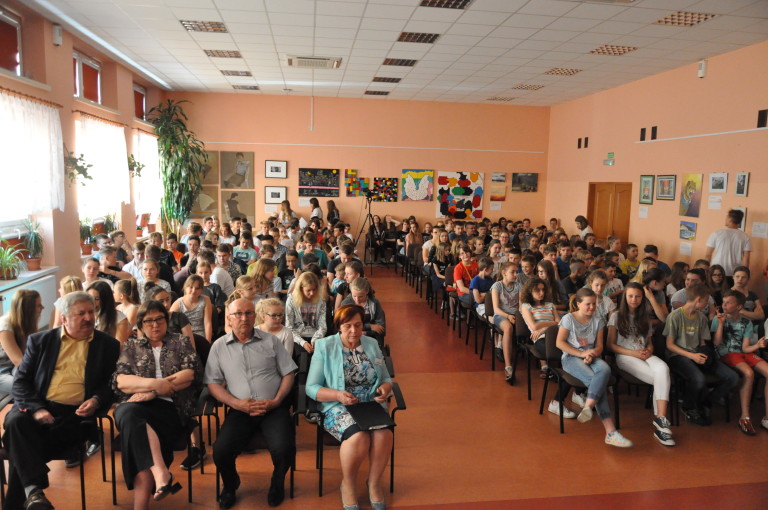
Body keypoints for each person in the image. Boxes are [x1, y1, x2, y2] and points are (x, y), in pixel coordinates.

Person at [2, 291, 120, 510]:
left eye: (91, 312)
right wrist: (37, 409)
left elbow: (111, 384)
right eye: (80, 313)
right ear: (64, 318)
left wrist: (96, 400)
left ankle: (32, 494)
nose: (88, 318)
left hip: (73, 416)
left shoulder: (108, 345)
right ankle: (33, 493)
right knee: (16, 421)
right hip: (36, 411)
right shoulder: (41, 341)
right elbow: (20, 382)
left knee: (20, 444)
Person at [206, 298, 297, 509]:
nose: (244, 318)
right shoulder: (219, 347)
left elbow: (288, 373)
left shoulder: (271, 341)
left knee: (285, 448)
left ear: (255, 316)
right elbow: (213, 384)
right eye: (238, 314)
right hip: (240, 410)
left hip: (272, 408)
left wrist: (277, 400)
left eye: (248, 313)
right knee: (221, 450)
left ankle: (277, 482)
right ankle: (231, 484)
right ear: (229, 318)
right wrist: (236, 404)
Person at [112, 300, 200, 509]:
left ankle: (143, 502)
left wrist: (152, 393)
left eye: (159, 319)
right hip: (135, 405)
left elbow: (189, 374)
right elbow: (121, 381)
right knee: (130, 415)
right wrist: (155, 385)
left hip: (171, 408)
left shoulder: (180, 341)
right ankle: (161, 473)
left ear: (166, 320)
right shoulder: (131, 346)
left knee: (133, 429)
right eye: (148, 320)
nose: (155, 324)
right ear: (140, 325)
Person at [306, 305, 393, 510]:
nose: (354, 331)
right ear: (339, 327)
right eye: (347, 326)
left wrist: (385, 388)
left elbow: (386, 378)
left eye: (358, 325)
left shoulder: (372, 343)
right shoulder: (325, 346)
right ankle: (348, 483)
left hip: (370, 404)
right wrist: (338, 395)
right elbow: (311, 387)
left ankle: (373, 483)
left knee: (384, 435)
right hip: (338, 405)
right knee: (358, 437)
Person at [556, 288, 632, 447]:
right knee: (595, 381)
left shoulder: (598, 321)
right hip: (571, 358)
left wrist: (592, 353)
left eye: (594, 304)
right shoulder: (568, 319)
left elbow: (599, 347)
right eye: (588, 304)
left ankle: (588, 406)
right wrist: (581, 353)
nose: (592, 307)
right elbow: (559, 343)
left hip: (591, 356)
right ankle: (610, 431)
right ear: (578, 304)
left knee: (605, 369)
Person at [607, 283, 674, 446]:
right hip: (625, 356)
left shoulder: (645, 317)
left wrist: (649, 350)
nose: (634, 299)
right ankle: (662, 424)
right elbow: (610, 345)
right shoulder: (616, 316)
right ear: (625, 297)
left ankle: (660, 420)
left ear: (642, 298)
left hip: (644, 354)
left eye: (637, 296)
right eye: (630, 296)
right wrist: (633, 353)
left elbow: (649, 342)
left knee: (663, 369)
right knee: (661, 379)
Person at [663, 283, 739, 426]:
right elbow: (670, 345)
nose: (707, 305)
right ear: (698, 300)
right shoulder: (674, 316)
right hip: (678, 356)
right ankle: (689, 406)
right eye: (706, 301)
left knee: (732, 377)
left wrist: (705, 355)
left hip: (697, 354)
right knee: (699, 379)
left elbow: (703, 343)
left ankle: (706, 402)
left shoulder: (701, 318)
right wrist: (692, 356)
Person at [712, 290, 768, 435]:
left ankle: (767, 418)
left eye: (728, 302)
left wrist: (758, 345)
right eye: (723, 302)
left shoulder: (746, 322)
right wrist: (720, 324)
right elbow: (716, 343)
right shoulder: (718, 319)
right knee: (748, 373)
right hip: (727, 353)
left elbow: (745, 348)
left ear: (739, 307)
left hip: (743, 352)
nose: (724, 305)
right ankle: (745, 417)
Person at [0, 290, 42, 393]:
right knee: (25, 388)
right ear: (28, 309)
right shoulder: (5, 326)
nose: (42, 308)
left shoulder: (29, 321)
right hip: (2, 371)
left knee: (42, 382)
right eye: (39, 305)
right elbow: (18, 360)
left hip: (15, 367)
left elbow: (34, 351)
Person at [491, 262, 521, 383]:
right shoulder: (497, 286)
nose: (515, 274)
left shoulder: (519, 286)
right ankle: (508, 366)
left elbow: (521, 305)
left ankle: (543, 365)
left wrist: (519, 316)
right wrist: (508, 316)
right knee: (508, 328)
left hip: (515, 315)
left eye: (516, 272)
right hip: (501, 315)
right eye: (512, 272)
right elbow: (496, 309)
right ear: (504, 273)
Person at [285, 271, 328, 353]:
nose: (312, 293)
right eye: (308, 290)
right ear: (301, 289)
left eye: (314, 289)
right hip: (297, 336)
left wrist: (316, 339)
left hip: (316, 335)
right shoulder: (291, 300)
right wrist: (302, 342)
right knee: (303, 356)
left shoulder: (321, 302)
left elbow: (322, 326)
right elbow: (289, 327)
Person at [705, 209, 751, 280]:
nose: (725, 219)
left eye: (726, 217)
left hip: (716, 272)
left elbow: (708, 255)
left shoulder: (716, 233)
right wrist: (745, 275)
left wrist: (706, 271)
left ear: (729, 219)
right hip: (735, 273)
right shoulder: (745, 236)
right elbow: (746, 259)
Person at [341, 277, 386, 347]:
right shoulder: (346, 304)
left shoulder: (375, 302)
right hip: (352, 335)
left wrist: (366, 333)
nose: (357, 299)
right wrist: (370, 326)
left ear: (367, 292)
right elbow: (346, 325)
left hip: (371, 336)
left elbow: (380, 326)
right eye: (354, 296)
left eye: (360, 296)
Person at [170, 275, 213, 342]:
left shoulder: (206, 299)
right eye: (191, 287)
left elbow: (207, 323)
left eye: (197, 288)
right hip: (184, 337)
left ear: (202, 290)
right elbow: (170, 324)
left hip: (201, 336)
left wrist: (208, 343)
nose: (193, 291)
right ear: (185, 287)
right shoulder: (178, 304)